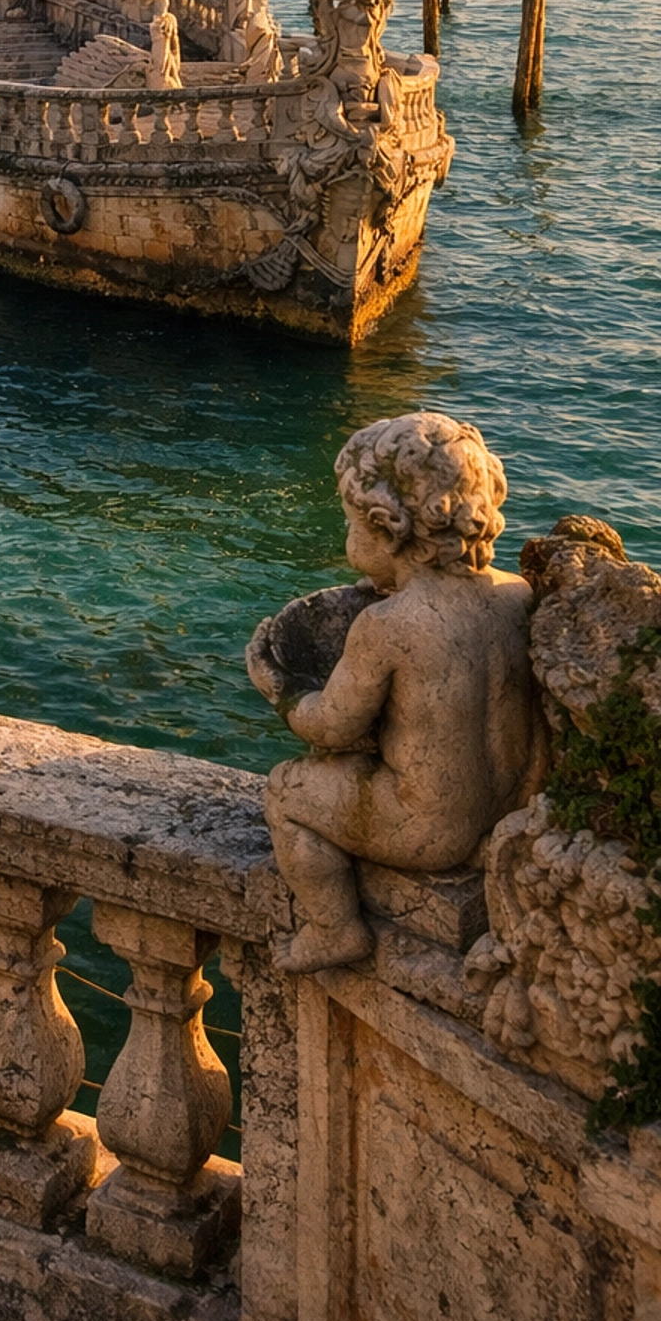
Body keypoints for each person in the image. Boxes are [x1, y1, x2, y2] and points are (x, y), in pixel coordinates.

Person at [247, 412, 546, 975]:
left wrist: (280, 689)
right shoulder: (518, 595)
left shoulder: (388, 626)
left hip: (428, 833)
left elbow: (332, 727)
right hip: (505, 814)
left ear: (385, 528)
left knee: (287, 792)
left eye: (350, 520)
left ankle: (335, 930)